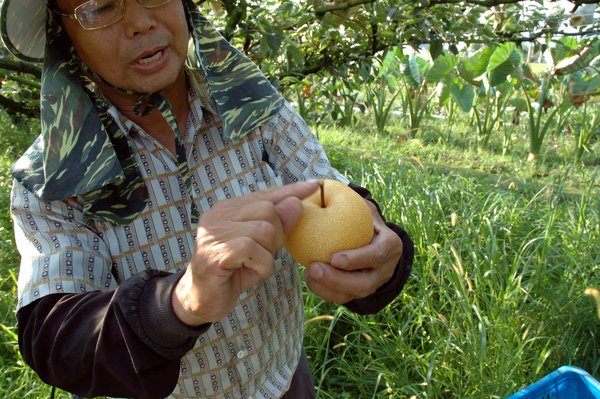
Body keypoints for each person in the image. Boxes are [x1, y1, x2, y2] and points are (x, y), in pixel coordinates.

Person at [1, 0, 414, 398]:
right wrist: (179, 304)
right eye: (100, 8)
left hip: (282, 384)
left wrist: (381, 252)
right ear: (64, 34)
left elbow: (334, 196)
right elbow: (56, 341)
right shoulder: (52, 180)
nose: (141, 23)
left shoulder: (255, 111)